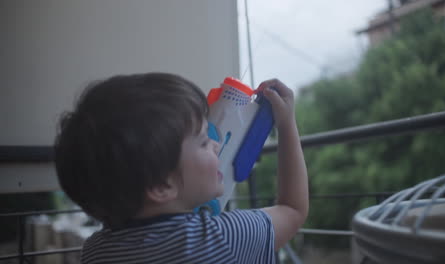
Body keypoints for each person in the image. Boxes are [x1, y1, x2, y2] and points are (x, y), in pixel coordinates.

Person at [54, 73, 308, 263]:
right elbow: (293, 209)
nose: (217, 146)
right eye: (204, 141)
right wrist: (286, 125)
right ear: (161, 185)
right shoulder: (221, 238)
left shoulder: (95, 251)